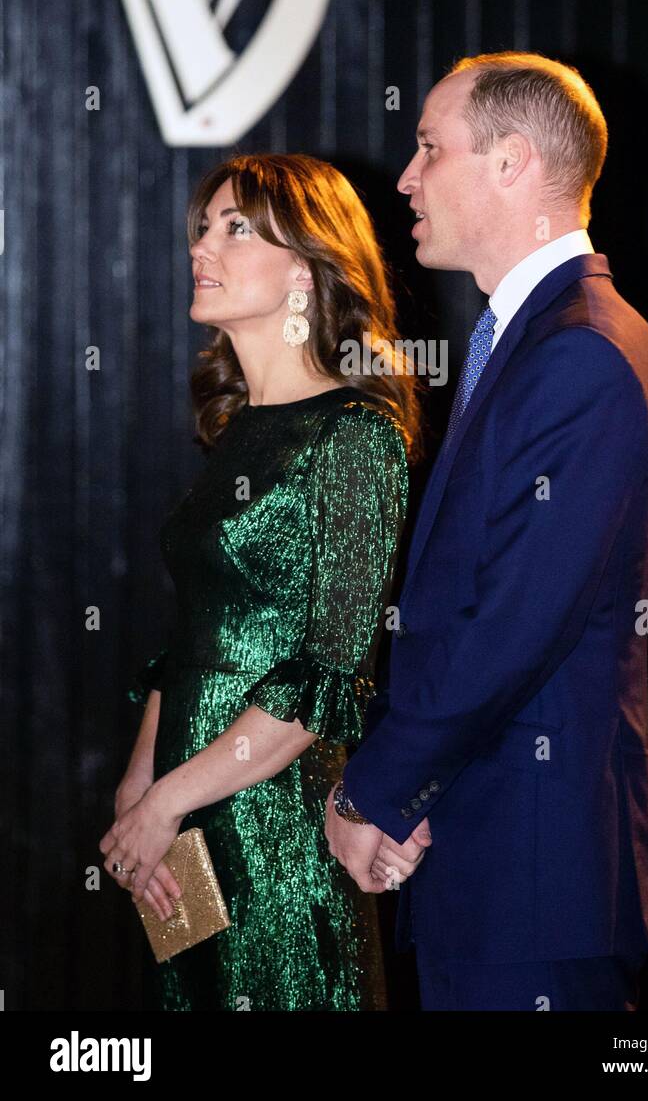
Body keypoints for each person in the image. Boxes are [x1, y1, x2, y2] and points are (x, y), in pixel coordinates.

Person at [326, 51, 648, 1011]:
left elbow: (510, 625)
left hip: (531, 871)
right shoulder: (543, 339)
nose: (404, 176)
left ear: (511, 162)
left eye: (429, 147)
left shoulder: (582, 354)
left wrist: (375, 792)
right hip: (494, 854)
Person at [99, 153, 423, 1010]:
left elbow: (328, 675)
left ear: (312, 269)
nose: (204, 246)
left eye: (237, 227)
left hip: (271, 820)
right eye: (203, 228)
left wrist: (165, 800)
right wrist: (140, 786)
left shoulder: (354, 434)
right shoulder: (239, 430)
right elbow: (196, 636)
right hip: (187, 813)